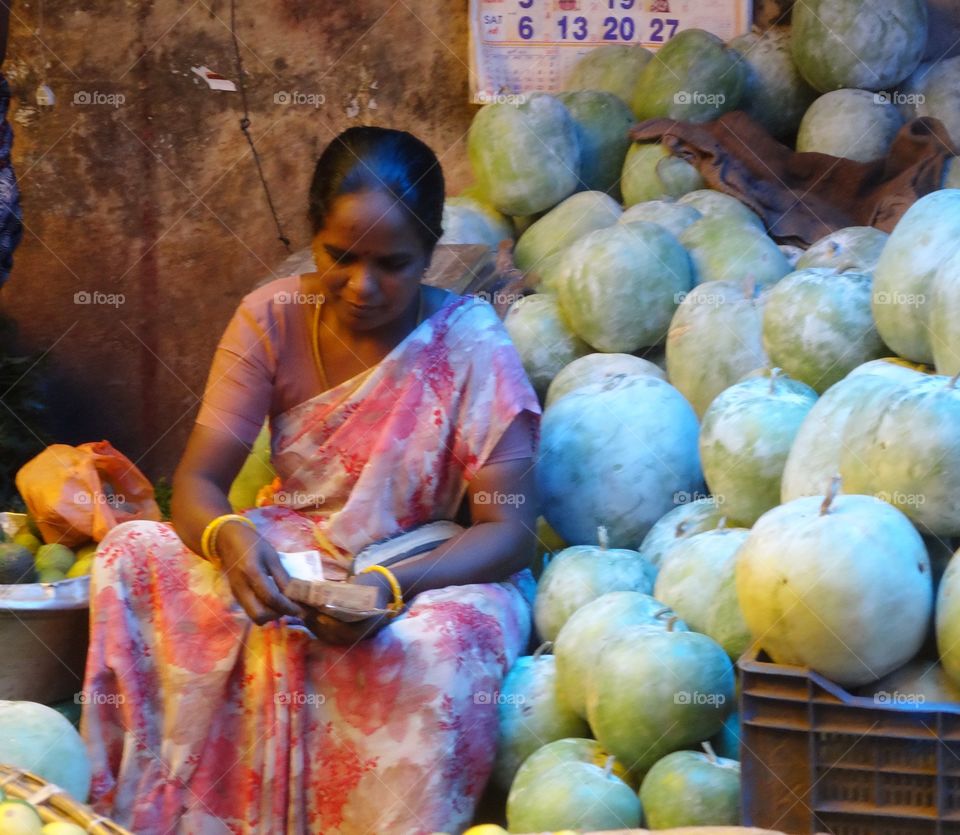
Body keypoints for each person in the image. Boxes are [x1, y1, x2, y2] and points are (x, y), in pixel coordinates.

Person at [80, 126, 541, 834]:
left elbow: (508, 531)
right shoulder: (270, 318)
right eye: (340, 257)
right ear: (313, 237)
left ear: (431, 251)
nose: (363, 286)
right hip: (293, 552)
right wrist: (231, 539)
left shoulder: (472, 340)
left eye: (393, 263)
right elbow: (200, 482)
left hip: (428, 568)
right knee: (130, 553)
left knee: (438, 649)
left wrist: (388, 586)